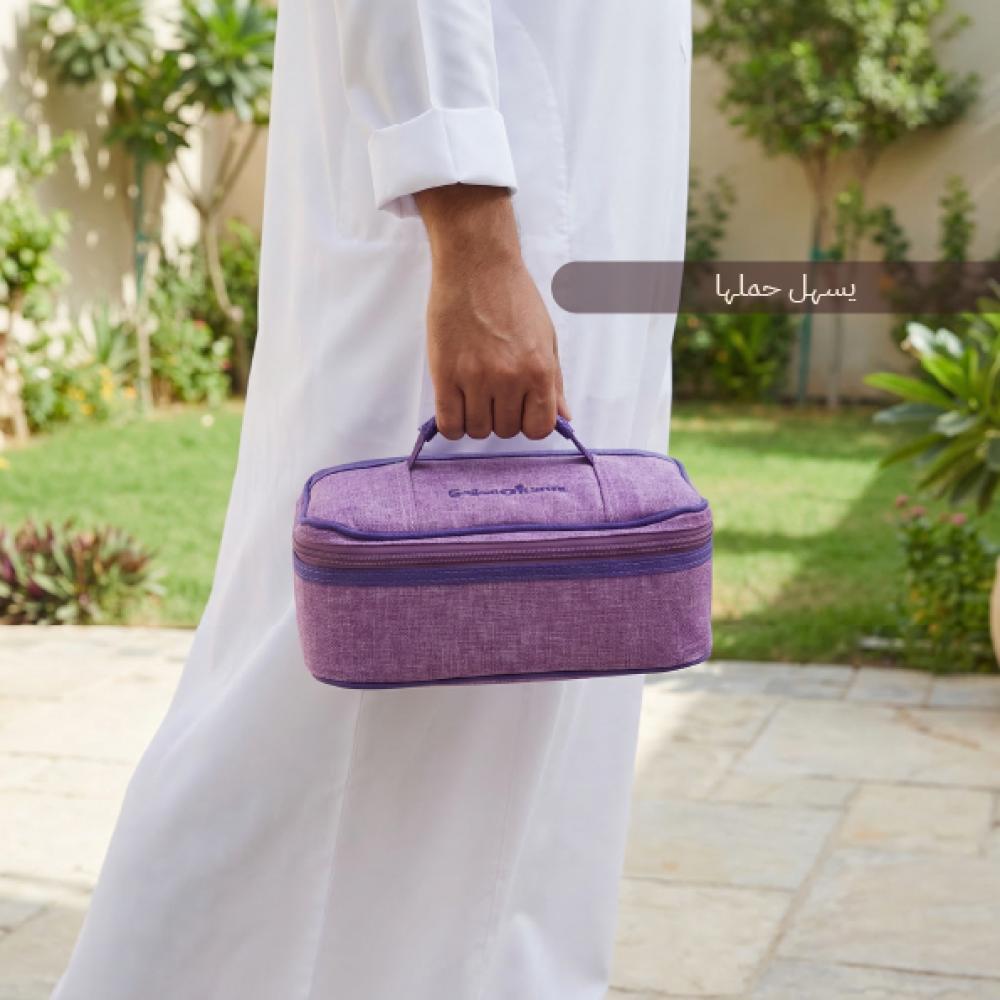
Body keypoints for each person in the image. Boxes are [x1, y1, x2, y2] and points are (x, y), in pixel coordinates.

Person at [52, 1, 692, 996]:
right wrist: (473, 237)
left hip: (577, 207)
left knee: (540, 731)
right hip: (472, 228)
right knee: (313, 714)